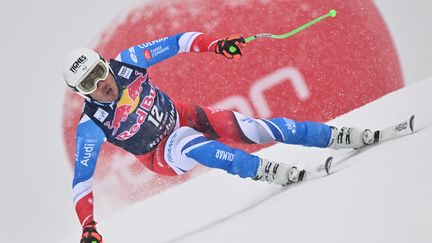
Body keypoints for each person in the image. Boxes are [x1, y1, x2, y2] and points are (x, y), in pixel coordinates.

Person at [63, 32, 374, 243]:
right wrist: (88, 226)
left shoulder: (129, 60)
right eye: (89, 84)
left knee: (251, 128)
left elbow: (180, 41)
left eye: (99, 71)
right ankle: (264, 170)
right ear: (81, 93)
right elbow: (81, 181)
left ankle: (337, 136)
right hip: (161, 154)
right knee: (187, 141)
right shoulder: (91, 125)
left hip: (185, 114)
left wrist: (216, 45)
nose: (101, 83)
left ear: (105, 63)